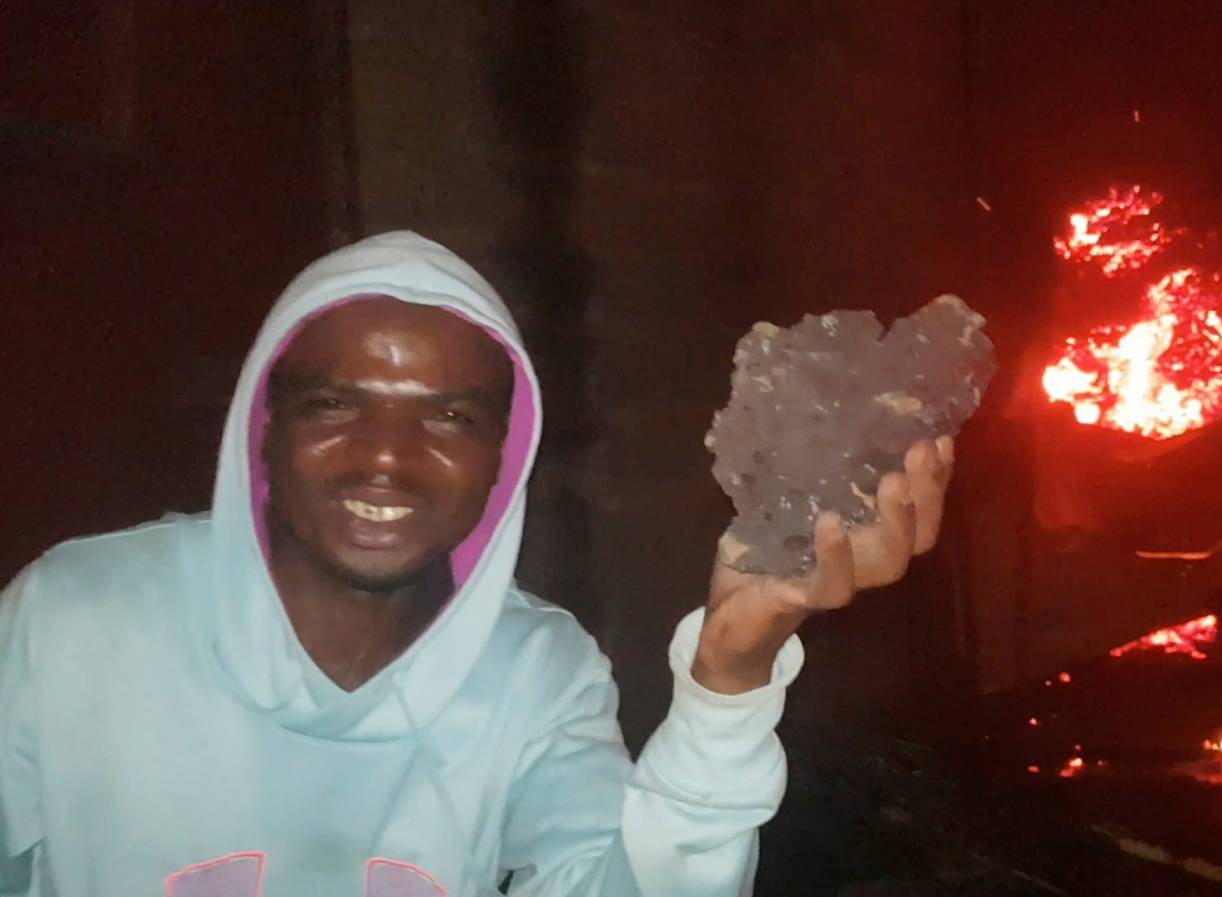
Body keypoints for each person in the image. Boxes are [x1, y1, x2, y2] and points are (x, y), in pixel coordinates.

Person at [0, 232, 954, 896]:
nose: (386, 457)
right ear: (262, 426)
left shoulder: (532, 673)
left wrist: (729, 680)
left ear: (506, 457)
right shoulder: (76, 619)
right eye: (336, 404)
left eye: (450, 417)